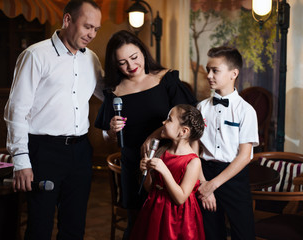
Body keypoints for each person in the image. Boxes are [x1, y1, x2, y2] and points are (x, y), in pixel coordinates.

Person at [4, 1, 103, 239]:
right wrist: (21, 161)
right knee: (39, 228)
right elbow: (16, 111)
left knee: (74, 228)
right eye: (87, 26)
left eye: (96, 29)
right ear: (67, 20)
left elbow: (109, 93)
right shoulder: (35, 55)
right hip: (43, 153)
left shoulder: (91, 58)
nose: (92, 34)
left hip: (80, 152)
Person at [94, 30, 197, 239]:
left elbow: (188, 123)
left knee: (168, 223)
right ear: (115, 64)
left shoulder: (165, 79)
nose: (131, 66)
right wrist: (112, 132)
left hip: (168, 160)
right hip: (133, 163)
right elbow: (107, 137)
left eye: (134, 57)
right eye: (122, 62)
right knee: (137, 224)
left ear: (142, 51)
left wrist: (152, 136)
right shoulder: (113, 91)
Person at [195, 46, 259, 240]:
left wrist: (212, 185)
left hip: (233, 177)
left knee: (244, 234)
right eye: (208, 69)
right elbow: (194, 150)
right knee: (210, 234)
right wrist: (204, 185)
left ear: (234, 73)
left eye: (215, 70)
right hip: (204, 173)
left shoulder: (246, 111)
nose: (209, 75)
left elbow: (244, 156)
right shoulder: (201, 107)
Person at [130, 104, 205, 240]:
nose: (163, 122)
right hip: (154, 209)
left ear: (183, 131)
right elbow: (149, 188)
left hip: (178, 217)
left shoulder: (193, 162)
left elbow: (180, 198)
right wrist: (145, 172)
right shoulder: (162, 151)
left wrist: (164, 170)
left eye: (169, 119)